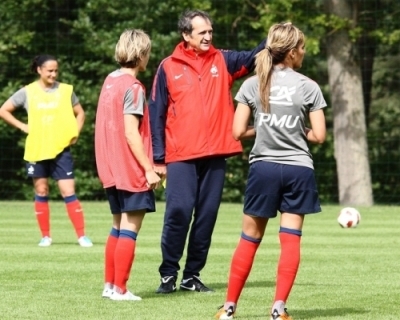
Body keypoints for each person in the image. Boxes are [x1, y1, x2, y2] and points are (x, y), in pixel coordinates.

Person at [149, 9, 266, 294]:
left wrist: (274, 35)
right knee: (178, 211)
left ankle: (191, 276)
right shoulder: (167, 66)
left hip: (216, 153)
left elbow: (254, 57)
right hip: (180, 154)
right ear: (186, 35)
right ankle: (168, 274)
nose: (208, 36)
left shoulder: (222, 60)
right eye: (202, 32)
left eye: (210, 31)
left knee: (207, 215)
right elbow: (156, 113)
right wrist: (158, 157)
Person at [215, 22, 327, 320]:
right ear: (291, 53)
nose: (303, 53)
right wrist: (296, 128)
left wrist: (264, 126)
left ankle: (228, 308)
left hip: (263, 168)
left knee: (249, 239)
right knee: (290, 239)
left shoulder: (252, 84)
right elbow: (318, 136)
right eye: (301, 48)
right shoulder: (309, 86)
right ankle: (278, 309)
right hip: (298, 171)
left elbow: (237, 131)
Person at [95, 29, 161, 301]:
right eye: (148, 51)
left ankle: (110, 286)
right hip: (129, 167)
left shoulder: (110, 80)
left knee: (117, 226)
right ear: (141, 53)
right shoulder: (134, 87)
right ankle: (121, 289)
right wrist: (148, 168)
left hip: (110, 166)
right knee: (130, 228)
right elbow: (131, 132)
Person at [0, 55, 93, 248]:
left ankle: (82, 236)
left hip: (61, 149)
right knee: (41, 190)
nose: (53, 74)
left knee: (68, 191)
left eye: (56, 70)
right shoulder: (28, 92)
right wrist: (22, 126)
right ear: (39, 70)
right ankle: (46, 237)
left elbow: (81, 113)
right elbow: (3, 110)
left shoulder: (66, 91)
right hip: (37, 149)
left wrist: (75, 132)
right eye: (49, 70)